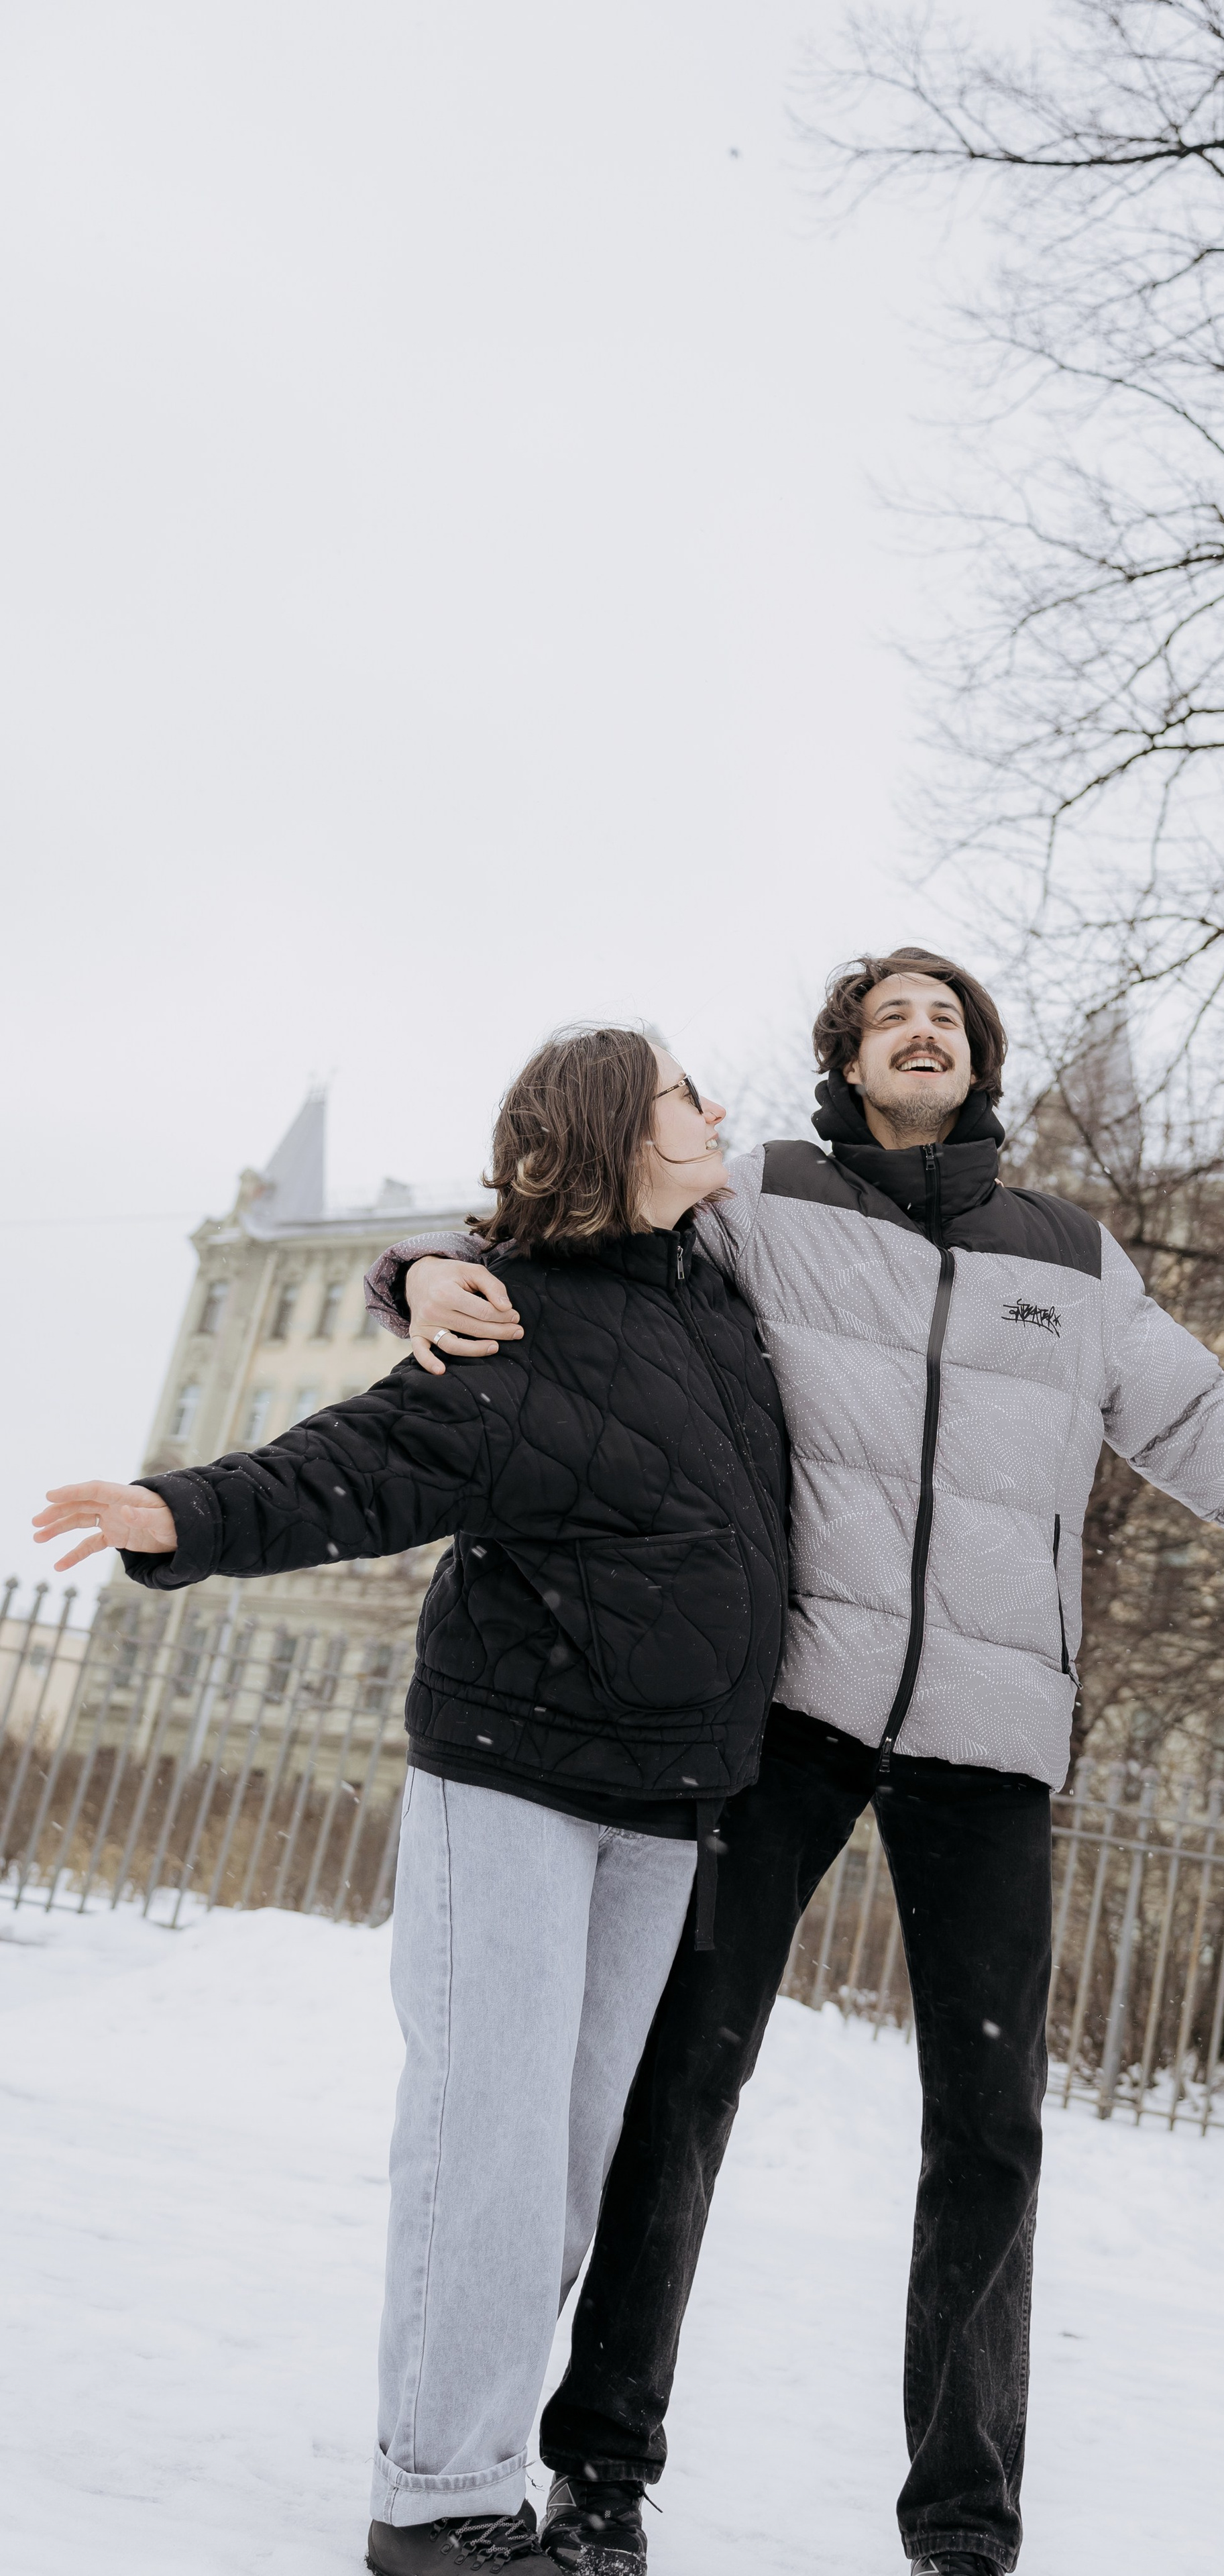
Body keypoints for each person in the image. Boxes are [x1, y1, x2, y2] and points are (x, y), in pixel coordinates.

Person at [373, 946, 1224, 2576]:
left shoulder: (1070, 1257)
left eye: (947, 1019)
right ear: (846, 1060)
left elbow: (1217, 1446)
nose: (920, 1032)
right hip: (788, 1714)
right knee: (682, 2083)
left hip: (988, 1739)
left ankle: (964, 2528)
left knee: (987, 2127)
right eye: (888, 1017)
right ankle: (602, 2474)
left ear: (977, 1062)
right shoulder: (763, 1199)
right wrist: (419, 1270)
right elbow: (574, 1230)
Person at [34, 1026, 791, 2576]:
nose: (715, 1109)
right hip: (516, 1779)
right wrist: (179, 1511)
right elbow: (359, 1463)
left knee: (563, 2167)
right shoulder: (514, 1320)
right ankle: (437, 2503)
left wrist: (412, 1260)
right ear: (613, 1132)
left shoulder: (719, 1303)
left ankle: (471, 2469)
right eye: (680, 1096)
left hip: (667, 1803)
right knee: (485, 2142)